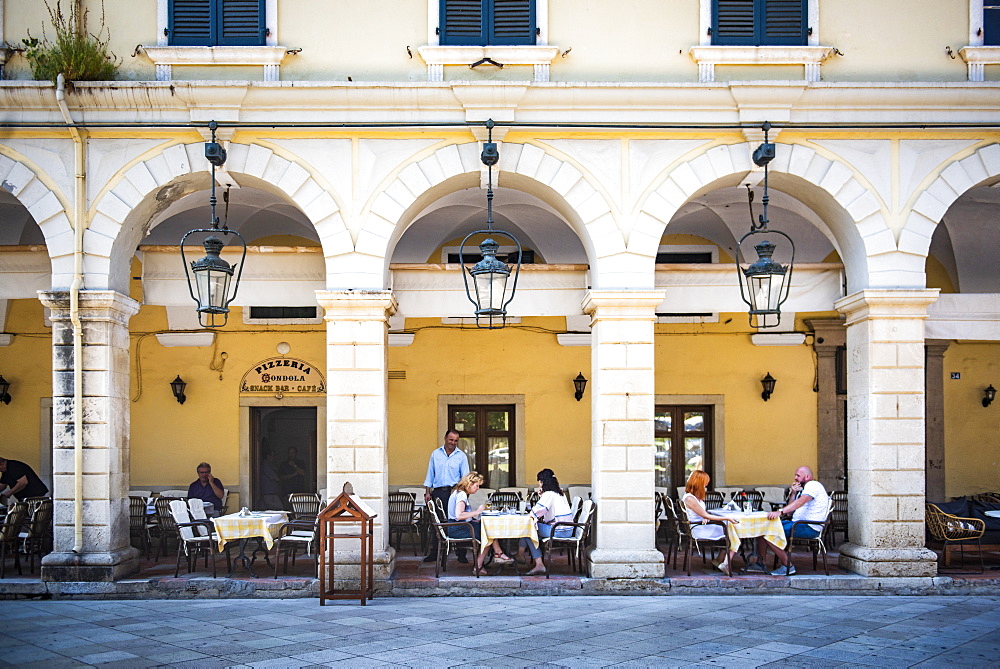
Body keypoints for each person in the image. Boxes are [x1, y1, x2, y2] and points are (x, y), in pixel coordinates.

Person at [759, 465, 830, 576]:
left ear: (807, 476)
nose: (795, 478)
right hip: (797, 524)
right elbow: (790, 513)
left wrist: (780, 512)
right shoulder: (804, 489)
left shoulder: (813, 485)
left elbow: (799, 503)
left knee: (769, 531)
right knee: (763, 526)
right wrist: (793, 493)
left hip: (809, 527)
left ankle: (788, 566)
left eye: (798, 475)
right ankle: (761, 563)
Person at [447, 472, 511, 576]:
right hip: (458, 528)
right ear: (469, 484)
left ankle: (498, 553)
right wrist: (478, 512)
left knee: (488, 529)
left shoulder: (458, 492)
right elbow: (459, 515)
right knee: (488, 534)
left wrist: (474, 520)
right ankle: (480, 565)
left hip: (458, 526)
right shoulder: (462, 495)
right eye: (476, 486)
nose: (477, 489)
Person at [422, 429, 470, 563]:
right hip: (438, 492)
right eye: (451, 440)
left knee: (458, 521)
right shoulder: (435, 454)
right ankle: (435, 552)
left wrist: (460, 493)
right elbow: (430, 474)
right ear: (445, 439)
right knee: (437, 522)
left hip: (455, 493)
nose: (453, 443)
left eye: (456, 441)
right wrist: (427, 492)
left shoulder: (461, 456)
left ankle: (461, 554)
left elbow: (465, 478)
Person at [518, 470, 575, 576]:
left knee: (529, 529)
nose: (539, 484)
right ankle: (520, 555)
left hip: (558, 530)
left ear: (542, 481)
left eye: (539, 482)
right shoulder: (559, 493)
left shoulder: (549, 494)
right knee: (530, 528)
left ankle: (533, 561)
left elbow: (538, 510)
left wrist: (530, 514)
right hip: (568, 529)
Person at [681, 470, 739, 573]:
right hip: (698, 529)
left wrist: (705, 516)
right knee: (735, 530)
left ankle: (720, 560)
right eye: (705, 482)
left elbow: (703, 513)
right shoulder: (690, 498)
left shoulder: (693, 497)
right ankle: (725, 562)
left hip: (701, 525)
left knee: (732, 529)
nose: (706, 485)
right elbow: (705, 514)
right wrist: (727, 518)